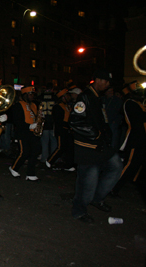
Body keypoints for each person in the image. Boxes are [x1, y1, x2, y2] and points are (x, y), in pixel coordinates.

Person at [70, 69, 122, 223]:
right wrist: (96, 135)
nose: (107, 85)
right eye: (105, 81)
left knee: (116, 166)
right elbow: (75, 121)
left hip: (101, 145)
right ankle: (79, 211)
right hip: (88, 147)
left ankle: (97, 198)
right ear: (98, 80)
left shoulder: (97, 97)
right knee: (87, 181)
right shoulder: (85, 97)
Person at [111, 81, 146, 199]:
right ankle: (113, 187)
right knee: (129, 164)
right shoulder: (130, 104)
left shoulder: (138, 104)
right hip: (136, 138)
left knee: (137, 164)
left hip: (141, 139)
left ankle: (133, 182)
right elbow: (139, 120)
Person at [8, 86, 42, 181]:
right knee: (24, 152)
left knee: (35, 152)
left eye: (33, 94)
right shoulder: (18, 105)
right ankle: (14, 168)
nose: (32, 96)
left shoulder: (34, 105)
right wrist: (29, 126)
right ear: (25, 95)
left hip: (33, 133)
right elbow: (17, 121)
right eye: (30, 94)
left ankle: (30, 173)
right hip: (23, 132)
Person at [46, 89, 75, 171]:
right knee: (60, 147)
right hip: (61, 130)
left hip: (68, 130)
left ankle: (69, 165)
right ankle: (50, 160)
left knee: (69, 148)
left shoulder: (68, 106)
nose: (69, 97)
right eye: (67, 96)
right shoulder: (57, 107)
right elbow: (58, 121)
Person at [39, 83, 57, 163]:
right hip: (53, 122)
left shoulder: (40, 97)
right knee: (54, 142)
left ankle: (44, 158)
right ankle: (53, 159)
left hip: (44, 122)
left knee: (44, 142)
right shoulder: (55, 97)